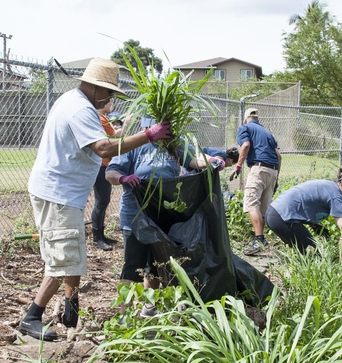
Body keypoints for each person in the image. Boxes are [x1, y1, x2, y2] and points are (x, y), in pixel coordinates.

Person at [21, 57, 171, 342]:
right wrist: (148, 135)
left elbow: (108, 138)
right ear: (95, 87)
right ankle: (32, 316)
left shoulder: (76, 102)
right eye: (109, 92)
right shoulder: (79, 109)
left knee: (72, 257)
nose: (110, 98)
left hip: (65, 194)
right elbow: (104, 148)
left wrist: (129, 133)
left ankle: (71, 312)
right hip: (58, 193)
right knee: (62, 261)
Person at [106, 119, 214, 308]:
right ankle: (124, 314)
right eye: (154, 128)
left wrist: (210, 161)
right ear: (146, 128)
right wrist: (123, 177)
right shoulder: (134, 144)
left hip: (163, 216)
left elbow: (192, 161)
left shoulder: (174, 144)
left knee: (157, 265)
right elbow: (111, 172)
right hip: (135, 215)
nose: (158, 132)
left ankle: (149, 307)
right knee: (133, 266)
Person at [264, 169, 342, 264]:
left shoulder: (330, 186)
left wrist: (314, 224)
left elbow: (306, 202)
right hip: (281, 217)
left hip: (275, 214)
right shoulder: (336, 196)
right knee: (314, 257)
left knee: (306, 255)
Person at [232, 108, 280, 256]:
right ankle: (260, 239)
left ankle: (259, 240)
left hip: (258, 169)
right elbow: (279, 156)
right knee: (262, 208)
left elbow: (245, 145)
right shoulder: (267, 132)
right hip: (272, 171)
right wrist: (276, 177)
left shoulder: (245, 127)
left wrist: (238, 166)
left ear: (246, 118)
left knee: (251, 203)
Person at [90, 99, 120, 251]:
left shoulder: (102, 118)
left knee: (104, 200)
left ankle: (101, 235)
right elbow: (114, 137)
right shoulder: (100, 118)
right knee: (101, 201)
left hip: (104, 165)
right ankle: (97, 238)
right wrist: (126, 124)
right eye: (111, 102)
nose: (112, 104)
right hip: (100, 165)